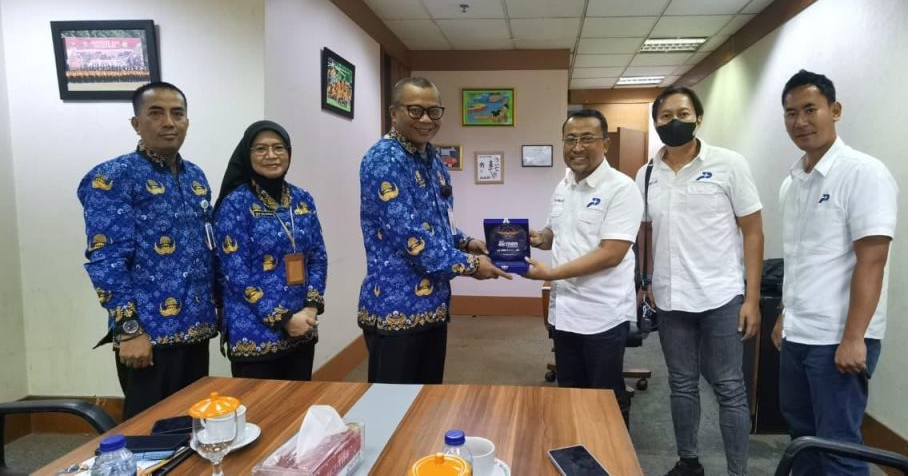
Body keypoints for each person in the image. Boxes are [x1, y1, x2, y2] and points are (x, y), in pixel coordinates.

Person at [773, 70, 898, 476]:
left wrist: (854, 337)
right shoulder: (793, 183)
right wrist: (785, 316)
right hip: (799, 335)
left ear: (835, 110)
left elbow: (872, 261)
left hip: (838, 339)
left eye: (810, 109)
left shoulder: (863, 173)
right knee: (803, 440)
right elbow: (801, 259)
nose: (800, 121)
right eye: (791, 113)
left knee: (839, 448)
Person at [641, 87, 764, 476]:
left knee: (729, 386)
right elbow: (646, 232)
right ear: (656, 122)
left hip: (721, 296)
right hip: (670, 297)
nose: (674, 121)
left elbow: (753, 231)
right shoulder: (647, 174)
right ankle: (689, 460)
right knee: (681, 384)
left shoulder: (729, 164)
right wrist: (647, 280)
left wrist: (752, 299)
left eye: (683, 113)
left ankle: (738, 471)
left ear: (698, 118)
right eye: (665, 115)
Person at [358, 77, 511, 384]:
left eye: (433, 111)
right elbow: (411, 237)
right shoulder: (384, 159)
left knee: (426, 397)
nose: (426, 119)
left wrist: (467, 243)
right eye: (415, 110)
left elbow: (438, 223)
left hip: (433, 304)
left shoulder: (431, 158)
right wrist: (471, 266)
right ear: (394, 113)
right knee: (393, 402)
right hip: (396, 308)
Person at [78, 81, 216, 419]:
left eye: (177, 114)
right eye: (156, 113)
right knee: (150, 432)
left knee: (194, 425)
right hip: (148, 338)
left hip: (196, 330)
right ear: (136, 123)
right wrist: (128, 330)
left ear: (187, 122)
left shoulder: (196, 177)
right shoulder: (112, 177)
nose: (169, 122)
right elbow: (107, 260)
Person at [525, 108, 643, 426]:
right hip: (564, 312)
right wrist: (538, 237)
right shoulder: (564, 186)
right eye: (570, 139)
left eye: (587, 138)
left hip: (602, 314)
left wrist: (550, 274)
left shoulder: (621, 188)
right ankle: (574, 444)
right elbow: (554, 234)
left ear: (605, 143)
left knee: (604, 397)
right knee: (570, 392)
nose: (577, 147)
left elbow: (611, 254)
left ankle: (612, 450)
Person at [213, 120, 327, 381]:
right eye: (261, 149)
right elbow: (235, 273)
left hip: (302, 326)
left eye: (278, 147)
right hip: (254, 333)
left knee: (299, 401)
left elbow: (317, 257)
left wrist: (310, 308)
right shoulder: (235, 204)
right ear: (247, 154)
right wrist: (284, 319)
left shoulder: (302, 199)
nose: (271, 155)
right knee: (260, 405)